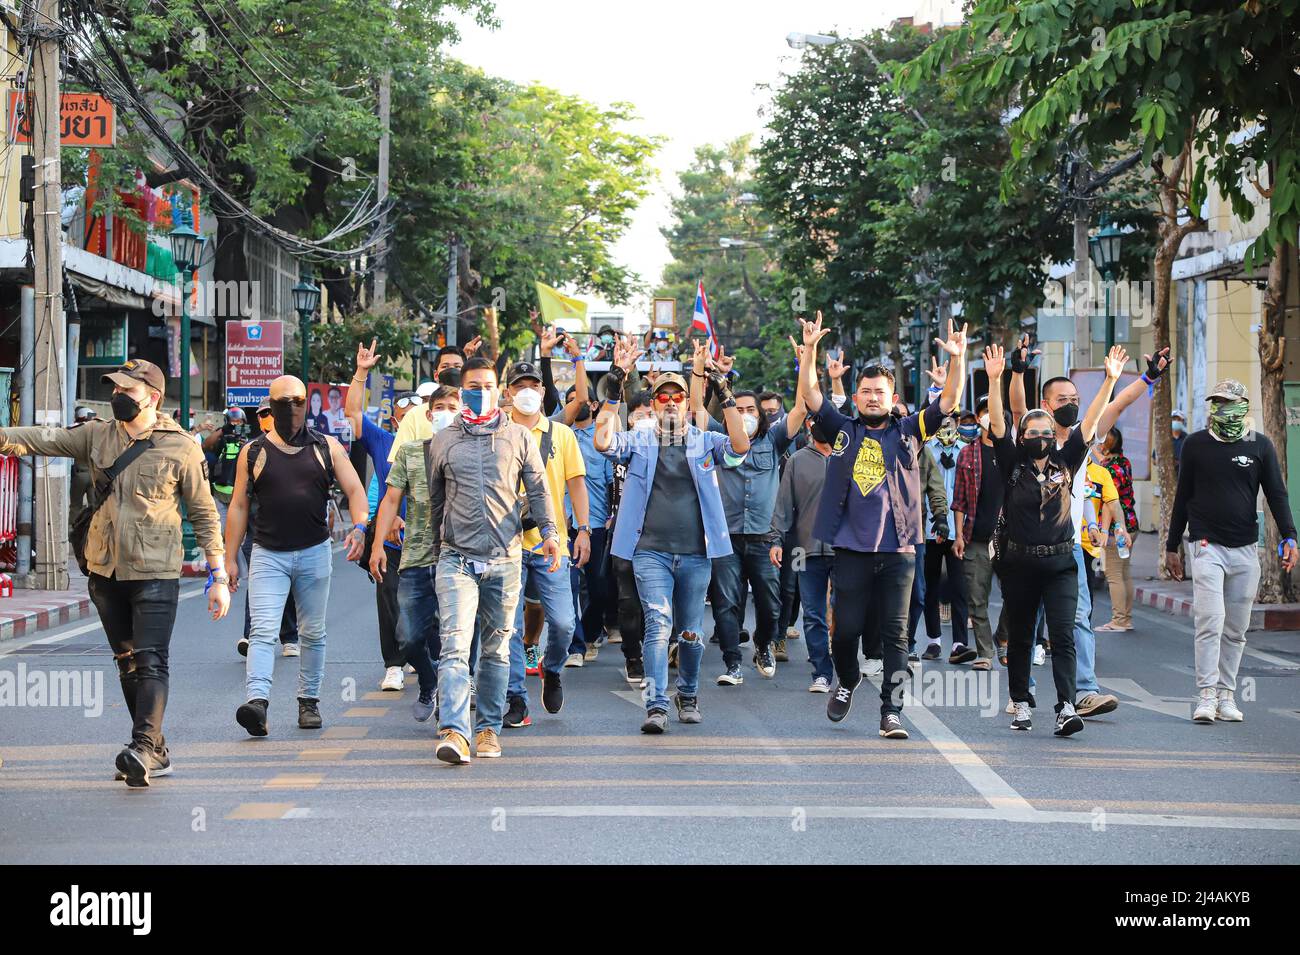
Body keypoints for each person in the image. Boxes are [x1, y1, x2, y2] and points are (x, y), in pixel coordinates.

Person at [0, 358, 230, 786]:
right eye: (116, 388)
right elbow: (41, 438)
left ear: (153, 397)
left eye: (127, 389)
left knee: (151, 659)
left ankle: (142, 746)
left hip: (156, 570)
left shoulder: (181, 446)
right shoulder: (97, 435)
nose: (118, 396)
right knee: (127, 662)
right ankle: (154, 750)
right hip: (104, 569)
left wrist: (218, 578)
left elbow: (203, 514)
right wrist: (3, 438)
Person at [799, 312, 967, 740]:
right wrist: (811, 352)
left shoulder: (910, 430)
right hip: (851, 550)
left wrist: (959, 359)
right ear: (856, 398)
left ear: (893, 398)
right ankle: (848, 679)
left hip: (900, 552)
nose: (874, 397)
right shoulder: (841, 430)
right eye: (867, 391)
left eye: (881, 392)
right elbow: (812, 395)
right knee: (847, 632)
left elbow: (947, 401)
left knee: (895, 636)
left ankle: (890, 712)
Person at [595, 339, 750, 734]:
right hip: (650, 553)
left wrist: (725, 392)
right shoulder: (640, 440)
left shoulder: (704, 441)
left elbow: (739, 448)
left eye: (676, 396)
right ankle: (656, 705)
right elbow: (603, 441)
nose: (668, 402)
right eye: (661, 396)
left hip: (697, 555)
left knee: (691, 632)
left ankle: (689, 694)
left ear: (685, 403)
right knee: (658, 624)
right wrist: (616, 384)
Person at [427, 356, 560, 765]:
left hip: (505, 557)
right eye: (473, 385)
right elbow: (435, 501)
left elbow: (537, 491)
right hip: (456, 558)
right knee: (453, 647)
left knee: (497, 650)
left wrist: (551, 535)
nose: (480, 392)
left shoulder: (519, 437)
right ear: (461, 387)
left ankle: (487, 729)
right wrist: (438, 551)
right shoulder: (444, 440)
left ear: (498, 390)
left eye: (487, 385)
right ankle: (454, 731)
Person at [223, 375, 369, 737]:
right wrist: (228, 559)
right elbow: (239, 506)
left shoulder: (327, 447)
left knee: (313, 632)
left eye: (297, 400)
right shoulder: (253, 452)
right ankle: (257, 702)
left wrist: (361, 527)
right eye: (282, 402)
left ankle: (309, 701)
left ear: (305, 404)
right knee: (262, 631)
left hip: (314, 553)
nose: (291, 408)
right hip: (268, 554)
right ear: (270, 408)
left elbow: (355, 490)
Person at [990, 344, 1124, 736]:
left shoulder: (1068, 460)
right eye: (1033, 432)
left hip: (1062, 564)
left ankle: (1066, 706)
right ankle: (1021, 704)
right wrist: (997, 378)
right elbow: (999, 423)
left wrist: (1111, 379)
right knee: (1022, 637)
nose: (1042, 437)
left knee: (1063, 635)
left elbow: (1091, 420)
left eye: (1047, 432)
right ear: (1022, 436)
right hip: (1020, 566)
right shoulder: (1010, 462)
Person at [1166, 378, 1297, 723]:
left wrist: (1289, 537)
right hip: (1206, 545)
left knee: (1236, 628)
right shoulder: (1195, 444)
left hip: (1245, 550)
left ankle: (1227, 695)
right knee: (1211, 620)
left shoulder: (1260, 446)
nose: (1220, 408)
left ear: (1242, 405)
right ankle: (1206, 695)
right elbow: (1182, 496)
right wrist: (1171, 544)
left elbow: (1277, 495)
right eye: (1215, 402)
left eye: (1226, 402)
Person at [705, 338, 805, 685]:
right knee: (725, 603)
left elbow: (803, 408)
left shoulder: (775, 439)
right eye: (739, 409)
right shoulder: (719, 436)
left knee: (770, 603)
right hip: (726, 536)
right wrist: (699, 371)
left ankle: (763, 644)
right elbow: (695, 412)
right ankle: (732, 663)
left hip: (765, 536)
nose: (745, 415)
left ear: (761, 415)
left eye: (751, 410)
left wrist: (804, 361)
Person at [500, 358, 590, 728]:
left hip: (553, 543)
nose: (526, 392)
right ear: (508, 393)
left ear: (542, 391)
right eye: (518, 386)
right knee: (510, 626)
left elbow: (576, 484)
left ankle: (551, 669)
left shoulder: (562, 435)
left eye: (532, 386)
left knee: (565, 623)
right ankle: (516, 698)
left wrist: (584, 529)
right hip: (505, 543)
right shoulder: (497, 432)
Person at [370, 385, 463, 723]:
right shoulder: (410, 453)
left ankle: (456, 704)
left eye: (453, 406)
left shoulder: (474, 452)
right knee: (408, 637)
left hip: (460, 558)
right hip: (415, 558)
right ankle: (428, 680)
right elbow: (391, 499)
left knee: (455, 638)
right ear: (428, 413)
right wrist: (378, 545)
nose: (445, 412)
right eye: (440, 406)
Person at [344, 340, 414, 692]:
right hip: (389, 536)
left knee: (427, 602)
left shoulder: (444, 442)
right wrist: (361, 373)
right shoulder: (384, 440)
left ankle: (422, 655)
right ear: (394, 418)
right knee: (389, 596)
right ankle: (394, 663)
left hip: (431, 537)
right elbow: (354, 416)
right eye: (406, 411)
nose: (412, 417)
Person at [769, 418, 835, 692]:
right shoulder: (796, 461)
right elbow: (784, 504)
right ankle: (821, 671)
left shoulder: (851, 456)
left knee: (847, 610)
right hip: (803, 549)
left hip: (847, 550)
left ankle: (847, 662)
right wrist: (776, 540)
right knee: (812, 612)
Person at [236, 398, 300, 659]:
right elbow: (240, 501)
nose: (266, 418)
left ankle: (290, 635)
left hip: (292, 530)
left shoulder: (299, 447)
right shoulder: (249, 451)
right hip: (257, 530)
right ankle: (252, 635)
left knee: (287, 585)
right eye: (262, 414)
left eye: (270, 413)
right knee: (258, 582)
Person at [952, 395, 1009, 670]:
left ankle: (1001, 637)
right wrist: (959, 535)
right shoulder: (967, 453)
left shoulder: (1011, 451)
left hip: (1010, 539)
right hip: (976, 537)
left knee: (1015, 595)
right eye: (985, 412)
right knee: (977, 598)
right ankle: (985, 652)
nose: (989, 417)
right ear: (978, 418)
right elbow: (959, 499)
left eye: (993, 412)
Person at [609, 390, 655, 685]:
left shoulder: (670, 447)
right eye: (640, 415)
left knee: (657, 601)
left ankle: (661, 651)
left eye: (651, 415)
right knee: (628, 601)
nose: (646, 420)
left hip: (658, 535)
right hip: (624, 533)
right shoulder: (621, 448)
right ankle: (633, 657)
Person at [920, 415, 970, 661]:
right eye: (942, 421)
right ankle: (933, 640)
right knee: (930, 586)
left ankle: (959, 642)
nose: (946, 426)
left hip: (958, 528)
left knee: (960, 587)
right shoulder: (927, 449)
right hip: (931, 527)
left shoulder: (966, 451)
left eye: (951, 421)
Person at [1095, 428, 1138, 632]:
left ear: (1106, 445)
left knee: (1113, 574)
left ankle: (1118, 620)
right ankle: (1126, 618)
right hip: (1130, 524)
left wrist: (1104, 531)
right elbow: (1105, 462)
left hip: (1116, 530)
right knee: (1124, 572)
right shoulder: (1123, 462)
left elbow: (1108, 504)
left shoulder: (1108, 471)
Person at [68, 406, 98, 528]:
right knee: (94, 505)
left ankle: (74, 529)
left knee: (76, 505)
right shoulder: (96, 433)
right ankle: (92, 529)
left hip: (80, 474)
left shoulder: (76, 433)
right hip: (93, 475)